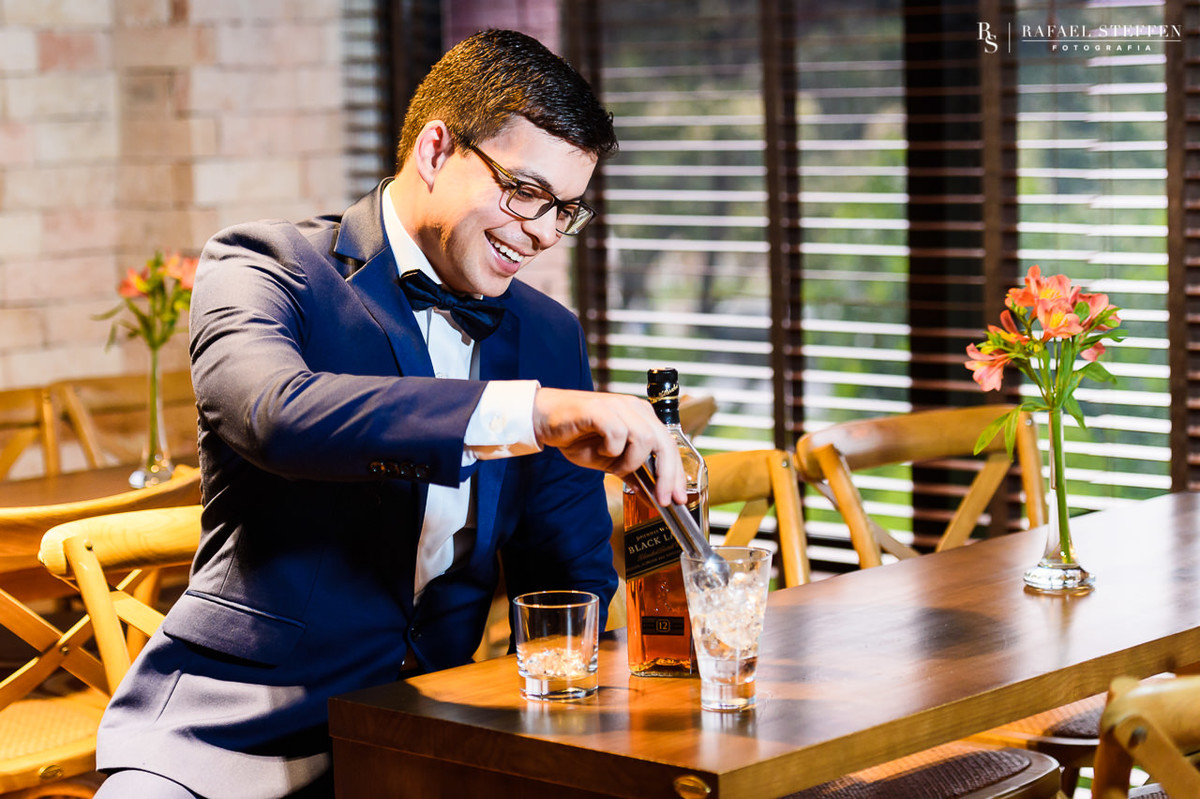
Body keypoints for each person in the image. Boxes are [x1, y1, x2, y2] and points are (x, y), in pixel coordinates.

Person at [93, 29, 685, 799]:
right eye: (525, 191)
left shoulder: (547, 332)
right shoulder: (265, 268)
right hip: (234, 736)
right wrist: (529, 413)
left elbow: (567, 570)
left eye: (564, 209)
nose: (542, 230)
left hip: (438, 738)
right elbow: (276, 414)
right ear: (437, 150)